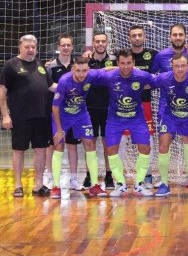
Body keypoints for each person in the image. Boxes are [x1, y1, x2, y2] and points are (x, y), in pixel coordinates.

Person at [91, 49, 154, 197]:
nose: (126, 67)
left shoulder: (142, 76)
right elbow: (90, 74)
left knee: (145, 148)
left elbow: (159, 81)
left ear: (134, 63)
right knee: (111, 149)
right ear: (117, 64)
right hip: (115, 119)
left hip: (136, 118)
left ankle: (139, 184)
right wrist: (110, 68)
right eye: (122, 63)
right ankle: (120, 184)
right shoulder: (110, 76)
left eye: (129, 63)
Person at [0, 34, 56, 197]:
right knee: (19, 150)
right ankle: (18, 185)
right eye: (27, 47)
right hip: (20, 117)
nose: (30, 50)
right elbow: (2, 92)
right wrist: (5, 116)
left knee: (41, 151)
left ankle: (38, 185)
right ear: (20, 47)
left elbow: (51, 86)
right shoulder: (11, 65)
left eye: (33, 47)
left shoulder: (40, 65)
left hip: (41, 117)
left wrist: (72, 84)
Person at [50, 56, 107, 198]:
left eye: (84, 71)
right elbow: (55, 107)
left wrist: (124, 68)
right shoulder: (64, 81)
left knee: (90, 143)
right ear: (73, 69)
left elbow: (106, 70)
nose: (81, 74)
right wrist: (58, 129)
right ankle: (56, 187)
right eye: (78, 71)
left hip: (81, 115)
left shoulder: (91, 74)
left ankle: (94, 185)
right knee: (58, 145)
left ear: (88, 70)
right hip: (63, 117)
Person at [152, 53, 188, 197]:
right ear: (172, 67)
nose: (180, 69)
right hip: (170, 116)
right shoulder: (164, 78)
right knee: (163, 144)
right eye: (177, 66)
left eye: (183, 66)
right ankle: (164, 184)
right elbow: (146, 81)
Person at [151, 23, 188, 188]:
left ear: (185, 36)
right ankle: (164, 180)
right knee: (164, 143)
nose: (178, 37)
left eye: (180, 35)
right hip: (166, 108)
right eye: (175, 35)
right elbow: (151, 77)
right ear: (170, 37)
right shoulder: (160, 56)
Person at [46, 33, 84, 191]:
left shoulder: (77, 66)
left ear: (72, 47)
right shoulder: (50, 67)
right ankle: (50, 177)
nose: (66, 47)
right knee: (54, 145)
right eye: (63, 45)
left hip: (74, 112)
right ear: (58, 47)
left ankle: (74, 179)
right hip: (57, 113)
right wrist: (67, 89)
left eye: (69, 45)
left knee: (72, 146)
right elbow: (48, 86)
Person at [82, 32, 117, 190]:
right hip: (89, 107)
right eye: (97, 41)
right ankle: (90, 174)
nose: (100, 44)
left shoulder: (114, 59)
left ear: (107, 42)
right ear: (93, 43)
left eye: (103, 41)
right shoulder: (86, 60)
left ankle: (109, 175)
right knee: (90, 142)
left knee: (107, 143)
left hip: (109, 107)